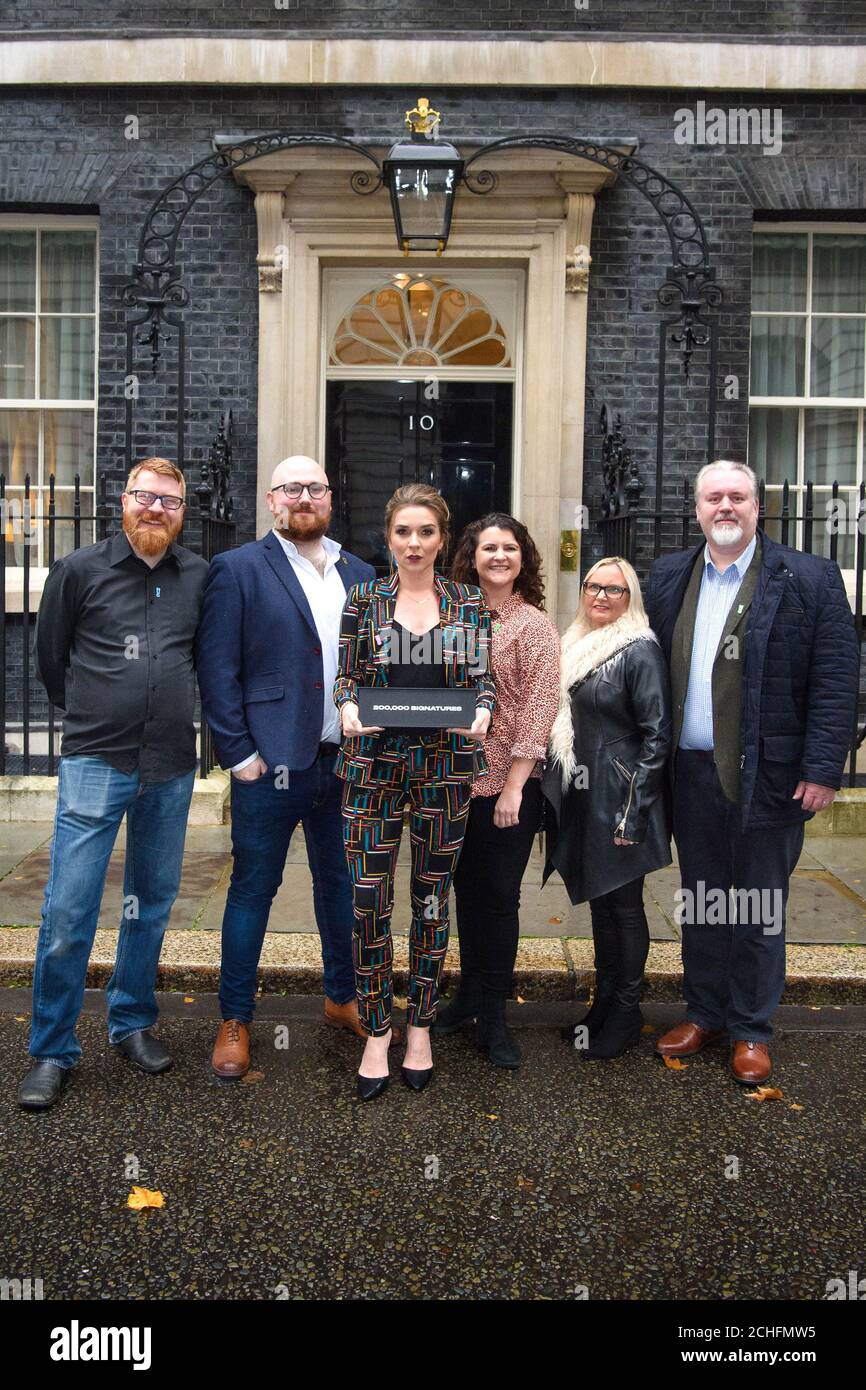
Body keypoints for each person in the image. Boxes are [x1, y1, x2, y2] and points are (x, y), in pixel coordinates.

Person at [645, 459, 859, 1084]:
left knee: (759, 904)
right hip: (690, 774)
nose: (725, 508)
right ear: (698, 510)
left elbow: (837, 681)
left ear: (758, 507)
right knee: (704, 899)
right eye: (713, 498)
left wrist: (823, 767)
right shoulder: (668, 577)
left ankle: (751, 1029)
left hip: (771, 774)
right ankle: (705, 1012)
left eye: (737, 496)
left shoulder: (809, 578)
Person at [19, 458, 208, 1110]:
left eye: (170, 501)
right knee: (69, 911)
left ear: (183, 512)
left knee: (149, 904)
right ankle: (51, 1049)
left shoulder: (198, 578)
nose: (156, 509)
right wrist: (96, 714)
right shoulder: (79, 571)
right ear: (122, 501)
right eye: (145, 496)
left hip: (170, 767)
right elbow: (52, 661)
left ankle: (131, 1021)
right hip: (96, 763)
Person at [195, 457, 376, 1080]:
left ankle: (341, 996)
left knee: (343, 891)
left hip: (344, 765)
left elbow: (372, 668)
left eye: (316, 488)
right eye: (292, 488)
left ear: (330, 499)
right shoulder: (239, 569)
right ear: (273, 501)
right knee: (252, 892)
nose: (305, 497)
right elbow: (218, 671)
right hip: (269, 766)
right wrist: (240, 756)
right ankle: (236, 1018)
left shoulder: (360, 571)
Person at [334, 483, 495, 1100]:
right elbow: (346, 677)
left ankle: (420, 1026)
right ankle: (378, 1030)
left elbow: (481, 680)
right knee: (370, 901)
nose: (414, 543)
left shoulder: (469, 603)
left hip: (445, 768)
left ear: (441, 538)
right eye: (404, 531)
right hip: (372, 767)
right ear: (388, 536)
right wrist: (348, 707)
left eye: (426, 532)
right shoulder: (364, 600)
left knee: (432, 902)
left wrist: (481, 712)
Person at [437, 513, 560, 1068]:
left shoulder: (534, 626)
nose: (499, 557)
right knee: (463, 892)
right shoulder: (448, 618)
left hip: (508, 788)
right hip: (453, 782)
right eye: (489, 548)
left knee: (500, 899)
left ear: (522, 559)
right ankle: (466, 995)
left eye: (510, 548)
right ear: (472, 556)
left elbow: (539, 710)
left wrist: (513, 788)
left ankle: (495, 1014)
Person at [543, 556, 672, 1060]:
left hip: (621, 798)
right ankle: (602, 1004)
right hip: (586, 793)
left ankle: (626, 1010)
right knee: (601, 902)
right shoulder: (575, 641)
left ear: (630, 598)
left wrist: (634, 812)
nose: (601, 596)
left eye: (614, 590)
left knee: (623, 907)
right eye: (594, 587)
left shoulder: (639, 650)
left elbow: (657, 736)